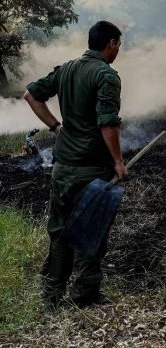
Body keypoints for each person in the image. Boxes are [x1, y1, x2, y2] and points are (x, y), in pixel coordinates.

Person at [23, 21, 126, 309]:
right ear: (111, 44)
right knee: (89, 233)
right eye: (118, 45)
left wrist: (56, 126)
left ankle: (51, 296)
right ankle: (84, 297)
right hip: (91, 171)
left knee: (59, 232)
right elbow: (108, 123)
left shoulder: (66, 69)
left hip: (63, 167)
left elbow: (31, 94)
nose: (118, 50)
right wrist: (118, 162)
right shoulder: (107, 76)